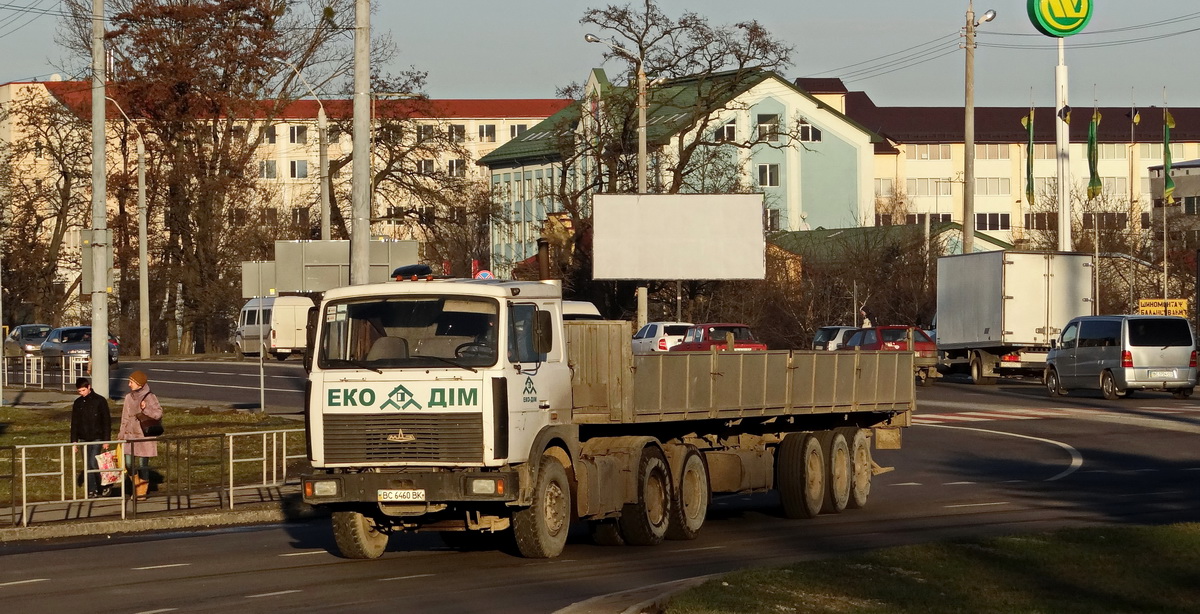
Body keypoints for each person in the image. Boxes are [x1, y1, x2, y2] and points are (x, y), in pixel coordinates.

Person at [119, 370, 162, 500]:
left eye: (131, 382)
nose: (129, 384)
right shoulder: (128, 397)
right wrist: (121, 433)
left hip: (144, 436)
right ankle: (137, 486)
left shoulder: (150, 397)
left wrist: (145, 409)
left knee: (143, 464)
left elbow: (158, 413)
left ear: (139, 384)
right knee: (129, 463)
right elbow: (125, 417)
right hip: (130, 435)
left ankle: (141, 492)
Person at [70, 377, 111, 497]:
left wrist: (106, 440)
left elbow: (106, 421)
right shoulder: (78, 403)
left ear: (88, 387)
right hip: (83, 438)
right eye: (79, 391)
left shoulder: (100, 401)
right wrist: (74, 441)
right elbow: (75, 423)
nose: (81, 393)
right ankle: (92, 490)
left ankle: (105, 484)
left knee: (94, 462)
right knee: (87, 465)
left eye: (83, 390)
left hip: (97, 437)